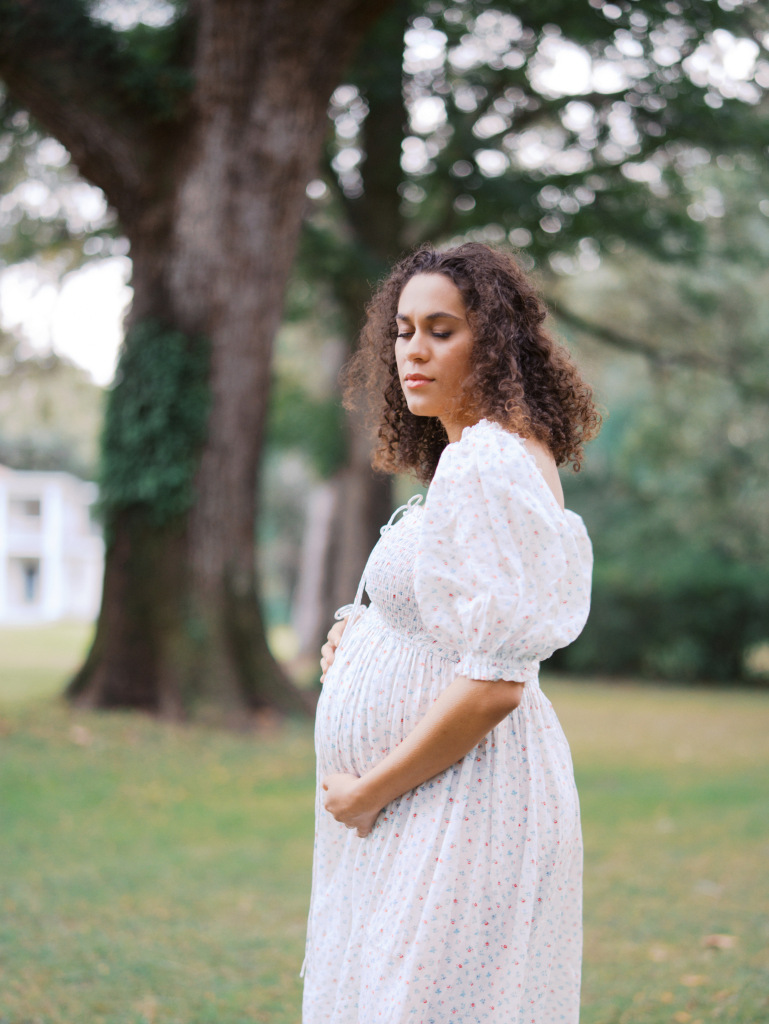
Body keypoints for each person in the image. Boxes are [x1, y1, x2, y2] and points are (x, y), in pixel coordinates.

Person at [301, 242, 601, 1024]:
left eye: (441, 330)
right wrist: (365, 633)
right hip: (431, 800)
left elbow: (496, 684)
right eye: (403, 331)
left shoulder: (488, 463)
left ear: (493, 344)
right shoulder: (472, 458)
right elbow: (456, 623)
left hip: (458, 801)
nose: (413, 351)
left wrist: (367, 792)